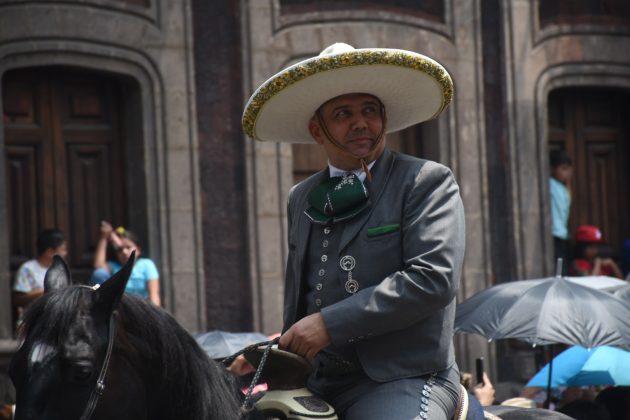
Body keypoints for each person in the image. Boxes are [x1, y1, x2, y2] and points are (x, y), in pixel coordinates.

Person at [242, 43, 465, 419]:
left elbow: (433, 280)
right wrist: (280, 356)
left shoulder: (426, 180)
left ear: (384, 118)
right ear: (318, 129)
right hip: (315, 381)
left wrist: (328, 325)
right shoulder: (301, 197)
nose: (360, 122)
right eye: (343, 113)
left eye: (369, 111)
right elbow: (301, 296)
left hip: (404, 379)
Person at [92, 221, 161, 306]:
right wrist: (104, 238)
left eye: (128, 247)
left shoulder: (146, 264)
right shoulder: (114, 267)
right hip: (121, 309)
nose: (124, 252)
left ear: (138, 250)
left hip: (142, 307)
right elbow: (98, 266)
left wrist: (153, 315)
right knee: (99, 273)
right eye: (120, 250)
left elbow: (154, 294)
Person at [12, 228, 68, 308]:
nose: (65, 253)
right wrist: (41, 292)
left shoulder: (60, 270)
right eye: (63, 250)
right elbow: (17, 300)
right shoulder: (28, 269)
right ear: (50, 252)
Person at [549, 149, 572, 274]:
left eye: (568, 169)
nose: (567, 173)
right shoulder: (550, 184)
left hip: (563, 234)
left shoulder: (563, 188)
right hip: (555, 233)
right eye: (563, 169)